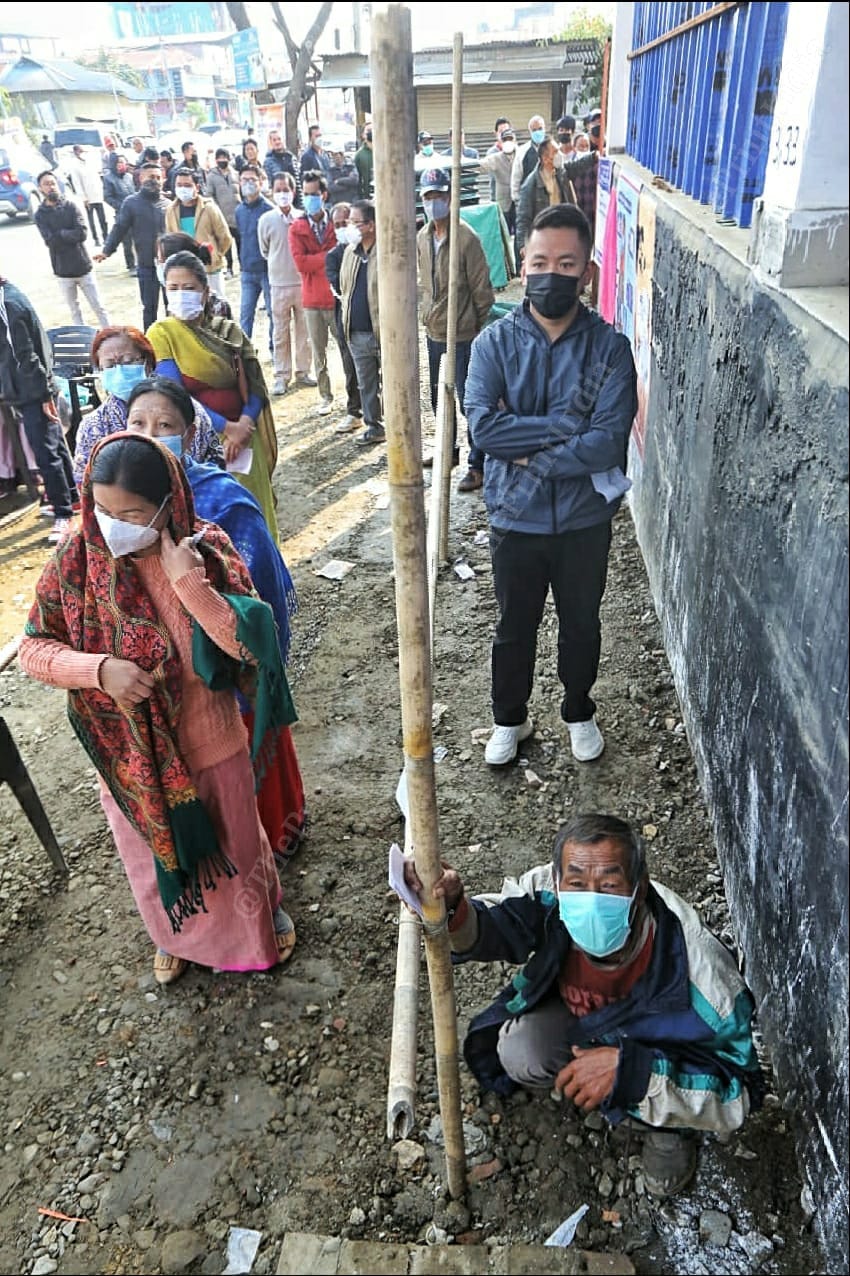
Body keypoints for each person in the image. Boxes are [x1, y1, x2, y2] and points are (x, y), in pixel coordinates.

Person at [20, 433, 297, 985]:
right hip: (132, 760)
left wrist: (187, 584)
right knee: (150, 862)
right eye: (102, 510)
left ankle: (258, 923)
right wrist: (99, 671)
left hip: (213, 744)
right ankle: (176, 933)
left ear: (170, 503)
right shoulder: (76, 560)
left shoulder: (207, 550)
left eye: (133, 513)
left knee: (237, 848)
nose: (114, 525)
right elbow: (33, 648)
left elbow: (247, 647)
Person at [401, 812, 764, 1197]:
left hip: (660, 1057)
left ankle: (667, 1128)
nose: (589, 899)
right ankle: (599, 1081)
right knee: (520, 1050)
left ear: (639, 890)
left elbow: (740, 1091)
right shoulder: (549, 894)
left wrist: (637, 1075)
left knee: (665, 1094)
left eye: (609, 885)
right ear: (558, 882)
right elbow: (497, 926)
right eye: (576, 883)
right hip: (586, 1023)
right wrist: (453, 908)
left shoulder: (704, 978)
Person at [465, 204, 636, 767]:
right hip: (515, 516)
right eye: (540, 261)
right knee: (515, 626)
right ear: (523, 266)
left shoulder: (610, 349)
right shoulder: (493, 345)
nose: (551, 274)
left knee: (582, 622)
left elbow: (608, 443)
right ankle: (508, 718)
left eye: (566, 263)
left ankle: (578, 709)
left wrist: (527, 440)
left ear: (586, 272)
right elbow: (485, 429)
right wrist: (568, 430)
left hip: (585, 519)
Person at [125, 376, 305, 857]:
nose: (149, 433)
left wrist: (248, 662)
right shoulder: (112, 508)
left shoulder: (223, 501)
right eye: (137, 423)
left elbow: (260, 601)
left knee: (247, 768)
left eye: (164, 424)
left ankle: (273, 844)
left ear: (187, 436)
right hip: (164, 679)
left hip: (229, 667)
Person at [147, 251, 279, 542]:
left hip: (245, 437)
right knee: (218, 520)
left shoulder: (228, 331)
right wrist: (226, 428)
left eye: (190, 288)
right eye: (173, 288)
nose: (181, 295)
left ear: (206, 292)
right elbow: (176, 394)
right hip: (202, 440)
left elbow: (255, 383)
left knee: (254, 510)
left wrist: (244, 423)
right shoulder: (162, 332)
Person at [416, 169, 493, 492]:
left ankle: (478, 463)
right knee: (438, 397)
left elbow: (482, 291)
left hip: (463, 333)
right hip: (434, 331)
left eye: (440, 196)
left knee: (468, 399)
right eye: (429, 197)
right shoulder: (422, 238)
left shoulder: (466, 238)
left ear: (450, 198)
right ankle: (447, 451)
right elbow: (424, 283)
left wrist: (472, 327)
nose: (435, 203)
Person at [73, 324, 224, 485]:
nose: (120, 371)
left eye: (128, 361)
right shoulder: (94, 425)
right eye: (110, 365)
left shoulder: (186, 409)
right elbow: (86, 483)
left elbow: (213, 462)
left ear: (148, 363)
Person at [0, 275, 78, 544]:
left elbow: (27, 354)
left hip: (33, 390)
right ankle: (72, 497)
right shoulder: (9, 296)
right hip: (32, 388)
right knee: (53, 445)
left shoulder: (8, 304)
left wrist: (44, 395)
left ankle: (63, 514)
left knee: (46, 452)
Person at [95, 162, 170, 330]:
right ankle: (150, 343)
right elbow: (120, 228)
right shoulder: (131, 203)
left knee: (171, 308)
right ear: (140, 178)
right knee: (149, 308)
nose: (155, 181)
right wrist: (107, 250)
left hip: (169, 266)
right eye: (151, 177)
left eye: (158, 177)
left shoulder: (169, 205)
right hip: (146, 265)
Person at [289, 171, 338, 418]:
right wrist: (328, 256)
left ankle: (355, 398)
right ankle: (325, 396)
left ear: (324, 195)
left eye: (314, 194)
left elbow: (339, 256)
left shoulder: (335, 223)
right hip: (311, 299)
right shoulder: (297, 228)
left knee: (349, 351)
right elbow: (301, 264)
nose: (310, 199)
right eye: (306, 194)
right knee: (319, 354)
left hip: (336, 297)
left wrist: (318, 259)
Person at [259, 173, 313, 397]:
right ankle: (282, 375)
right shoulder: (266, 220)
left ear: (293, 191)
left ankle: (303, 371)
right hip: (278, 284)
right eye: (278, 189)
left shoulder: (303, 217)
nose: (282, 194)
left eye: (286, 189)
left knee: (304, 331)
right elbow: (264, 249)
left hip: (302, 283)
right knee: (280, 333)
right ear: (272, 191)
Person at [34, 171, 110, 328]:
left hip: (83, 266)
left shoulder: (71, 207)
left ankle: (109, 333)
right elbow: (50, 241)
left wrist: (61, 234)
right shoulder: (40, 214)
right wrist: (68, 235)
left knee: (99, 307)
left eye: (53, 183)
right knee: (75, 311)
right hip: (62, 270)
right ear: (40, 188)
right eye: (46, 184)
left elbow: (82, 233)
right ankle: (82, 341)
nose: (51, 187)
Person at [338, 200, 382, 447]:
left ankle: (398, 428)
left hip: (382, 332)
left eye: (356, 222)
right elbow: (345, 289)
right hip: (356, 332)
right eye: (349, 222)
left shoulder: (385, 253)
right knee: (366, 383)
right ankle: (374, 426)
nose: (350, 227)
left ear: (371, 225)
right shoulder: (350, 253)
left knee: (392, 383)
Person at [324, 202, 363, 434]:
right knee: (350, 366)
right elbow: (339, 286)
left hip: (371, 320)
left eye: (345, 223)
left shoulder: (369, 250)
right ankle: (354, 411)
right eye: (337, 224)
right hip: (345, 319)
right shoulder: (334, 256)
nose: (341, 227)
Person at [165, 168, 232, 300]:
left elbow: (224, 237)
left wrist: (215, 255)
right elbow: (170, 238)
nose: (183, 189)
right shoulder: (171, 210)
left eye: (187, 185)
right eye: (179, 185)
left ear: (197, 187)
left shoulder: (209, 208)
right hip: (184, 269)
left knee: (216, 302)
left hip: (210, 268)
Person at [234, 164, 274, 352]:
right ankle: (245, 352)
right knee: (245, 314)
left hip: (267, 270)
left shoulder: (269, 209)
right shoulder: (239, 210)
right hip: (247, 271)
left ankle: (274, 350)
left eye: (252, 180)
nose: (248, 184)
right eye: (244, 180)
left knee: (273, 314)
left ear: (260, 182)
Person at [516, 137, 572, 259]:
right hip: (543, 238)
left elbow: (577, 166)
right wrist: (522, 245)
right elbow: (523, 217)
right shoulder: (530, 185)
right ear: (545, 159)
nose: (560, 154)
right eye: (555, 152)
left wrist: (594, 157)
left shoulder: (560, 173)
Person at [156, 233, 232, 320]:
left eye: (162, 261)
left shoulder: (217, 308)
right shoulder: (174, 306)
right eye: (173, 288)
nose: (159, 266)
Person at [206, 149, 241, 277]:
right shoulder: (211, 176)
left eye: (224, 157)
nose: (222, 160)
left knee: (240, 244)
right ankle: (230, 268)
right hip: (222, 217)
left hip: (237, 216)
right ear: (216, 160)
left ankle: (242, 267)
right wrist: (216, 211)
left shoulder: (235, 174)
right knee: (226, 245)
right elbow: (209, 195)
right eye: (219, 158)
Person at [65, 145, 109, 246]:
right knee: (91, 220)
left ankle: (106, 236)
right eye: (80, 151)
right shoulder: (74, 166)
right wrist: (84, 198)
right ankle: (96, 239)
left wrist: (102, 192)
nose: (82, 153)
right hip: (88, 197)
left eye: (83, 151)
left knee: (102, 218)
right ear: (75, 152)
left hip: (97, 195)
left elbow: (97, 178)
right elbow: (77, 183)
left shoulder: (90, 162)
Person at [103, 154, 137, 274]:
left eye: (123, 162)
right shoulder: (109, 178)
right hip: (122, 213)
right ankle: (131, 266)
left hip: (135, 212)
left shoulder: (129, 176)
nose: (122, 165)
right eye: (119, 163)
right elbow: (107, 197)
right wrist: (121, 206)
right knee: (126, 241)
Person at [479, 126, 517, 235]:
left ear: (515, 140)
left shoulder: (521, 155)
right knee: (504, 234)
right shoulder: (496, 158)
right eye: (505, 140)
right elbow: (481, 165)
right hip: (503, 204)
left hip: (519, 202)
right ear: (501, 141)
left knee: (521, 236)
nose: (508, 142)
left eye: (510, 139)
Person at [510, 114, 548, 206]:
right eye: (534, 130)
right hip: (528, 201)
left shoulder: (553, 149)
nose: (537, 132)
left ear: (545, 129)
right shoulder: (522, 151)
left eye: (540, 128)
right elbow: (516, 177)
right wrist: (517, 200)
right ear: (529, 132)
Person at [353, 123, 374, 198]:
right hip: (366, 197)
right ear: (363, 135)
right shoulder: (360, 155)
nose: (372, 132)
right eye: (368, 131)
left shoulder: (384, 152)